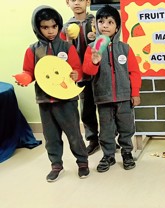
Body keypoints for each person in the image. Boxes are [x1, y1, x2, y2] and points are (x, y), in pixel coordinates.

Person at [14, 5, 89, 182]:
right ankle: (56, 165)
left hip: (67, 100)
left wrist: (75, 74)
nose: (50, 31)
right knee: (51, 136)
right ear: (37, 28)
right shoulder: (32, 50)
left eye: (54, 26)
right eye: (45, 27)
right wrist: (24, 77)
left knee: (74, 134)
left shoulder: (66, 47)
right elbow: (29, 72)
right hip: (45, 101)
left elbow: (77, 69)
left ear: (58, 25)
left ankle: (82, 162)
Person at [83, 5, 142, 172]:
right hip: (103, 97)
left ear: (117, 26)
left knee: (126, 127)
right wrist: (94, 61)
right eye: (101, 22)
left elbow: (134, 72)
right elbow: (87, 72)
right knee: (106, 130)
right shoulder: (91, 48)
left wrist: (135, 93)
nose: (105, 25)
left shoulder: (125, 48)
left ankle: (127, 153)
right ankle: (108, 155)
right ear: (96, 25)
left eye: (110, 22)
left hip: (124, 97)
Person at [60, 0, 100, 155]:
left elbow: (106, 41)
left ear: (88, 2)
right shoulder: (65, 27)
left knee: (105, 106)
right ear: (67, 3)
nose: (77, 3)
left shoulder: (96, 21)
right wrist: (69, 40)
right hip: (80, 74)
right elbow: (63, 51)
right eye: (73, 0)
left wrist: (96, 36)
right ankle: (93, 139)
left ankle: (108, 138)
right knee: (87, 108)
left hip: (98, 71)